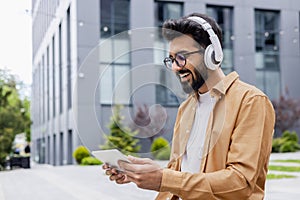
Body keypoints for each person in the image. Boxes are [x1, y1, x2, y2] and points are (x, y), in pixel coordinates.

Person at [103, 12, 275, 200]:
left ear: (212, 55)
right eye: (171, 59)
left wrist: (164, 179)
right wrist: (139, 174)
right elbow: (180, 171)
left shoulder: (251, 101)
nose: (176, 67)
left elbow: (240, 183)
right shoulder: (186, 108)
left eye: (182, 57)